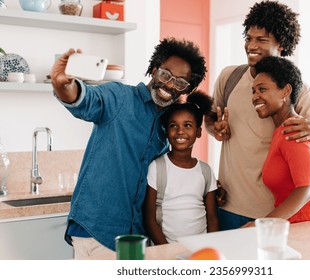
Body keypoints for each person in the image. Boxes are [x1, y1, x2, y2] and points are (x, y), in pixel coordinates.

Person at [50, 38, 207, 258]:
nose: (170, 85)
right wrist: (63, 84)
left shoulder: (168, 125)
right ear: (154, 70)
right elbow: (85, 99)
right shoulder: (120, 97)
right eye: (166, 75)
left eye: (180, 83)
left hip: (134, 237)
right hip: (97, 230)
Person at [205, 0, 310, 230]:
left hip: (273, 212)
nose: (251, 45)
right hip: (228, 203)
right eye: (248, 38)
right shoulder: (229, 78)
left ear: (281, 44)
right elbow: (211, 119)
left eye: (261, 40)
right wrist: (215, 128)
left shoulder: (300, 92)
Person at [246, 56, 310, 228]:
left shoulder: (292, 130)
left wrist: (262, 225)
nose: (255, 97)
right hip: (305, 217)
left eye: (262, 89)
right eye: (254, 91)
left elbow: (306, 190)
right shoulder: (285, 130)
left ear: (286, 91)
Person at [144, 91, 219, 245]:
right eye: (173, 126)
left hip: (200, 249)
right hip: (166, 249)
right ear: (166, 130)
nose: (180, 131)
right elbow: (149, 219)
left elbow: (212, 218)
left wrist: (210, 247)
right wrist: (167, 251)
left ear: (198, 132)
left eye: (188, 125)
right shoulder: (157, 168)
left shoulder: (205, 171)